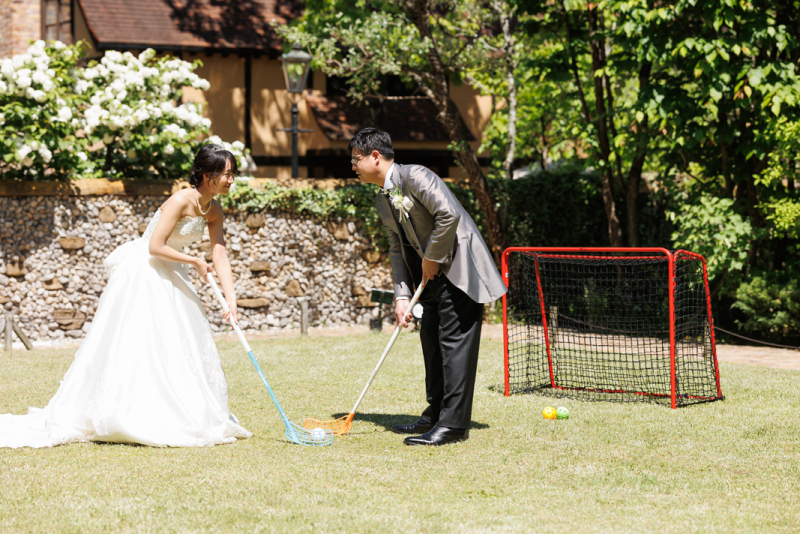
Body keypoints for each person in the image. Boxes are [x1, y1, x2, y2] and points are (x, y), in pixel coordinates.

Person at [0, 144, 252, 448]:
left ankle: (181, 408)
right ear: (208, 175)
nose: (231, 180)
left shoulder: (214, 209)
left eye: (232, 174)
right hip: (146, 271)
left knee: (180, 339)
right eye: (227, 174)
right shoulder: (180, 200)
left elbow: (220, 255)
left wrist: (232, 299)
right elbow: (155, 246)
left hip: (172, 271)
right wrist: (194, 262)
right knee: (141, 341)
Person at [349, 128, 507, 446]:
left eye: (356, 158)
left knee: (453, 344)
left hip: (460, 268)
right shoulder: (382, 198)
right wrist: (402, 294)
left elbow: (448, 215)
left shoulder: (416, 175)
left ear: (375, 157)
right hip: (430, 276)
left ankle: (453, 425)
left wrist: (432, 257)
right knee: (431, 340)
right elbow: (397, 247)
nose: (353, 165)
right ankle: (435, 414)